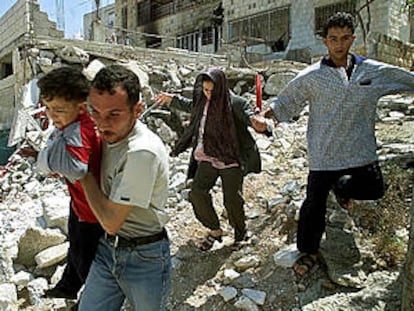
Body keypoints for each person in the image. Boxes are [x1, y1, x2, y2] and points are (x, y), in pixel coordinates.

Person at [260, 12, 414, 276]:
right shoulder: (312, 76)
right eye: (333, 39)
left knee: (375, 189)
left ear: (353, 38)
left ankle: (342, 189)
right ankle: (307, 251)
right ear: (325, 41)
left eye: (344, 38)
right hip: (325, 154)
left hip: (361, 152)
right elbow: (285, 102)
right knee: (313, 207)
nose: (339, 44)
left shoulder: (372, 71)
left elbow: (406, 79)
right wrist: (267, 117)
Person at [78, 65, 171, 311]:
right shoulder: (109, 134)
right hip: (107, 250)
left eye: (113, 115)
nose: (101, 123)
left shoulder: (142, 151)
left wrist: (83, 175)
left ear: (137, 110)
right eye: (95, 112)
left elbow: (111, 221)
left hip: (145, 257)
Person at [154, 67, 269, 251]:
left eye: (212, 91)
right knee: (197, 193)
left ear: (222, 87)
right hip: (208, 154)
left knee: (232, 200)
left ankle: (241, 233)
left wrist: (260, 125)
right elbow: (190, 105)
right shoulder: (203, 99)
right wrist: (172, 100)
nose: (208, 95)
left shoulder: (236, 103)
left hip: (231, 157)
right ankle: (215, 230)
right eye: (205, 90)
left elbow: (252, 118)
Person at [35, 66, 104, 300]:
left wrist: (48, 157)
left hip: (92, 213)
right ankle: (67, 287)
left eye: (59, 110)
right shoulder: (72, 125)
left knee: (86, 259)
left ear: (81, 107)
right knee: (75, 248)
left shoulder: (80, 131)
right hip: (80, 205)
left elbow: (75, 168)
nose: (51, 115)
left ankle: (93, 300)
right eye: (47, 108)